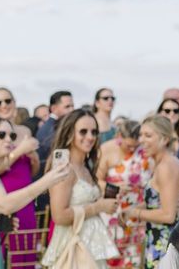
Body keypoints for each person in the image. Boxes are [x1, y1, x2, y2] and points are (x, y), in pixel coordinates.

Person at [0, 117, 70, 269]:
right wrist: (47, 181)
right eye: (1, 135)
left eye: (12, 136)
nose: (9, 139)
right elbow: (5, 203)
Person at [42, 109, 120, 268]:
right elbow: (59, 215)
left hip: (92, 245)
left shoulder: (85, 167)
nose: (90, 137)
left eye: (94, 132)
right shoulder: (65, 169)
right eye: (83, 132)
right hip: (73, 247)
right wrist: (98, 207)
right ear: (70, 133)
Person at [123, 115, 179, 269]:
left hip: (163, 244)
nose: (141, 140)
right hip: (160, 240)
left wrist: (134, 213)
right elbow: (157, 202)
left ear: (164, 139)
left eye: (148, 135)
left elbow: (168, 215)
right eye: (141, 135)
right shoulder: (168, 162)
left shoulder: (166, 167)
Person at [0, 87, 41, 265]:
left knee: (26, 250)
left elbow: (31, 171)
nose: (4, 105)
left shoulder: (25, 131)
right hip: (4, 198)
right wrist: (19, 151)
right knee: (5, 252)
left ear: (14, 102)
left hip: (26, 199)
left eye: (7, 100)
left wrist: (34, 161)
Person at [97, 119, 153, 268]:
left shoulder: (145, 152)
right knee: (112, 258)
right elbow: (96, 181)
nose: (132, 149)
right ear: (120, 136)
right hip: (112, 213)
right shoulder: (106, 149)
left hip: (137, 213)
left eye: (136, 145)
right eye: (129, 145)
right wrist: (114, 187)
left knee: (134, 260)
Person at [37, 90, 75, 172]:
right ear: (53, 108)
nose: (72, 110)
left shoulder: (53, 126)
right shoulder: (50, 129)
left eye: (72, 106)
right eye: (67, 107)